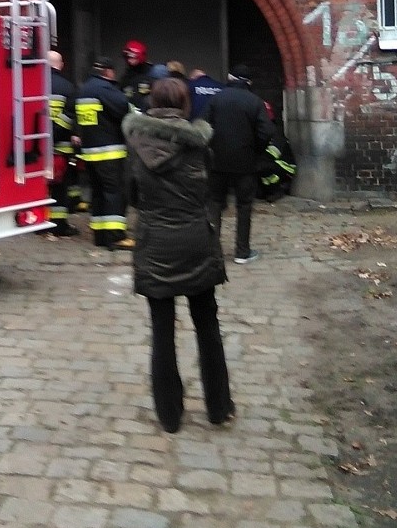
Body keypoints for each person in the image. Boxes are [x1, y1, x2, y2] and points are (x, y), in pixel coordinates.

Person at [123, 76, 234, 433]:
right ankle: (219, 408)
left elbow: (130, 194)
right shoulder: (199, 144)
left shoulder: (135, 143)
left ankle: (169, 416)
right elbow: (213, 193)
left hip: (155, 241)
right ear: (184, 103)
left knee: (162, 331)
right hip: (195, 239)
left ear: (152, 101)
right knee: (208, 326)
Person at [202, 63, 273, 264]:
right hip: (245, 163)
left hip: (217, 162)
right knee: (244, 206)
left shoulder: (215, 99)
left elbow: (203, 126)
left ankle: (213, 252)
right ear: (248, 82)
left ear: (230, 77)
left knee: (214, 204)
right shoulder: (255, 101)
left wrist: (211, 147)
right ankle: (242, 252)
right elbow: (267, 131)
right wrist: (256, 150)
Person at [76, 56, 133, 249]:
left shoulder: (85, 89)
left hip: (90, 152)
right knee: (114, 193)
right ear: (107, 72)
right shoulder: (104, 88)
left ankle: (100, 236)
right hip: (109, 153)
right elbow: (124, 108)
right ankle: (116, 237)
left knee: (99, 193)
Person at [47, 49, 79, 236]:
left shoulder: (31, 83)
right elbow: (71, 117)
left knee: (40, 186)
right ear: (60, 64)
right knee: (60, 187)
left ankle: (39, 221)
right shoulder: (67, 87)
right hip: (60, 148)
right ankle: (59, 224)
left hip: (35, 148)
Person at [255, 101, 297, 201]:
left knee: (261, 166)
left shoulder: (274, 134)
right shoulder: (265, 130)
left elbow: (270, 155)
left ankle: (276, 189)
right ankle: (266, 189)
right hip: (273, 164)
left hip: (286, 168)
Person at [119, 41, 163, 112]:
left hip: (150, 114)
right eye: (128, 57)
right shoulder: (126, 77)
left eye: (133, 57)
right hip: (131, 114)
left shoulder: (153, 73)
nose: (130, 60)